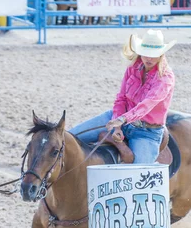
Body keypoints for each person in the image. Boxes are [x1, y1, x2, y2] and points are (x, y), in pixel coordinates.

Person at [69, 29, 176, 164]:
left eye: (153, 55)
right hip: (118, 119)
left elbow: (147, 104)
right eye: (146, 54)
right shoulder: (133, 68)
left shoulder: (165, 78)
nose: (149, 58)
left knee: (139, 176)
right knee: (69, 137)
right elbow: (121, 98)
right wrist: (118, 124)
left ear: (161, 55)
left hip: (147, 132)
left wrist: (123, 119)